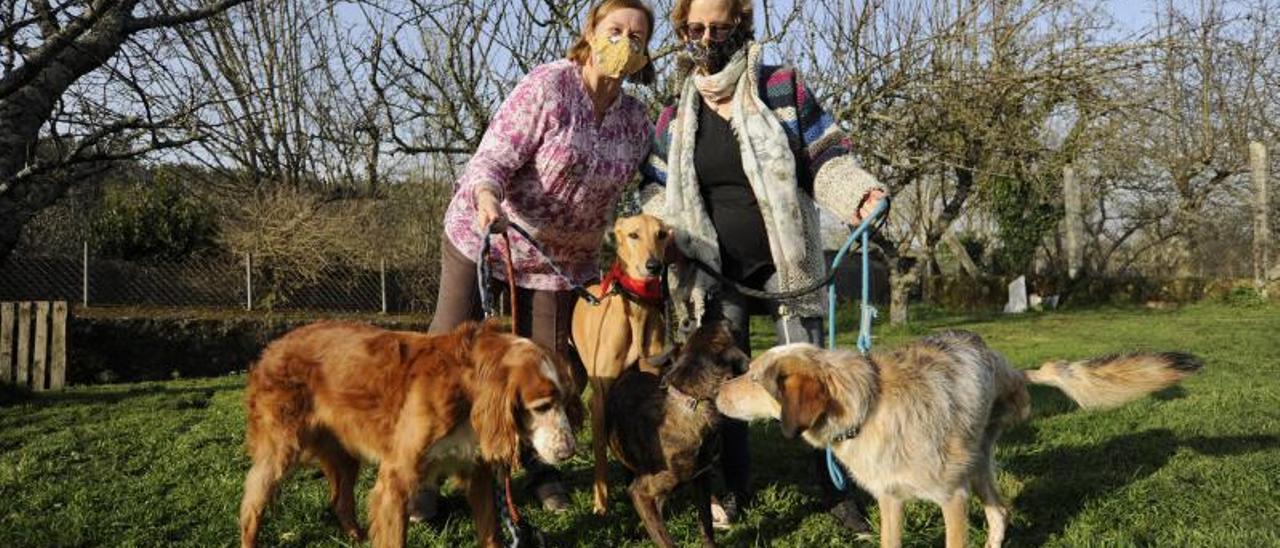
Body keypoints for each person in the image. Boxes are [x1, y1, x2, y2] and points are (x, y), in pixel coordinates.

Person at [638, 0, 888, 531]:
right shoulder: (674, 115)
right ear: (682, 31)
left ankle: (836, 491)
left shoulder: (782, 87)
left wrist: (860, 195)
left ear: (741, 24)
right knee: (722, 382)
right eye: (696, 28)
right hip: (714, 270)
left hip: (787, 262)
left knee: (811, 377)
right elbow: (657, 190)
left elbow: (824, 155)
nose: (707, 38)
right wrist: (664, 235)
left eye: (719, 25)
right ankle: (732, 489)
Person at [414, 0, 657, 520]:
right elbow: (494, 155)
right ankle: (421, 476)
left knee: (550, 372)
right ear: (590, 32)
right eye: (615, 30)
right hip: (488, 234)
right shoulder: (549, 87)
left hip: (559, 263)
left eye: (637, 38)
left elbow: (657, 187)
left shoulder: (637, 122)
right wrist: (485, 195)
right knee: (446, 359)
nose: (625, 44)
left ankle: (540, 469)